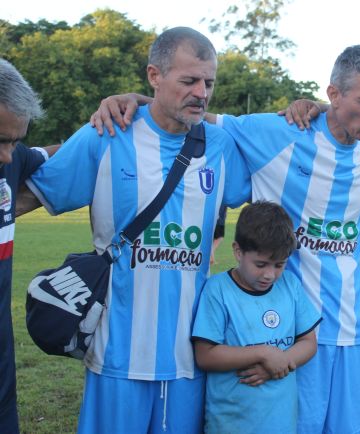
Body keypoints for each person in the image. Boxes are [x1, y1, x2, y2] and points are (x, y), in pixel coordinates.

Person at [92, 44, 360, 434]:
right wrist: (135, 99)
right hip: (291, 330)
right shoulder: (277, 133)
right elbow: (191, 114)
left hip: (355, 330)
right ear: (334, 94)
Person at [24, 27, 250, 433]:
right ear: (154, 76)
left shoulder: (221, 146)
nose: (201, 93)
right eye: (189, 80)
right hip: (116, 355)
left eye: (209, 82)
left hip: (188, 358)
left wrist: (315, 108)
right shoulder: (107, 133)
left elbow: (285, 156)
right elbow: (28, 197)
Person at [192, 200, 321, 433]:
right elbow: (205, 355)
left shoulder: (290, 285)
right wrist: (264, 353)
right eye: (261, 264)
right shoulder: (218, 290)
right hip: (231, 424)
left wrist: (279, 363)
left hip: (281, 424)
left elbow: (309, 342)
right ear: (238, 251)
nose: (270, 274)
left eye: (279, 265)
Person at [0, 58, 59, 434]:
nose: (7, 156)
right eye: (0, 141)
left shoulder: (12, 160)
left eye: (15, 141)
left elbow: (58, 153)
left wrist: (119, 109)